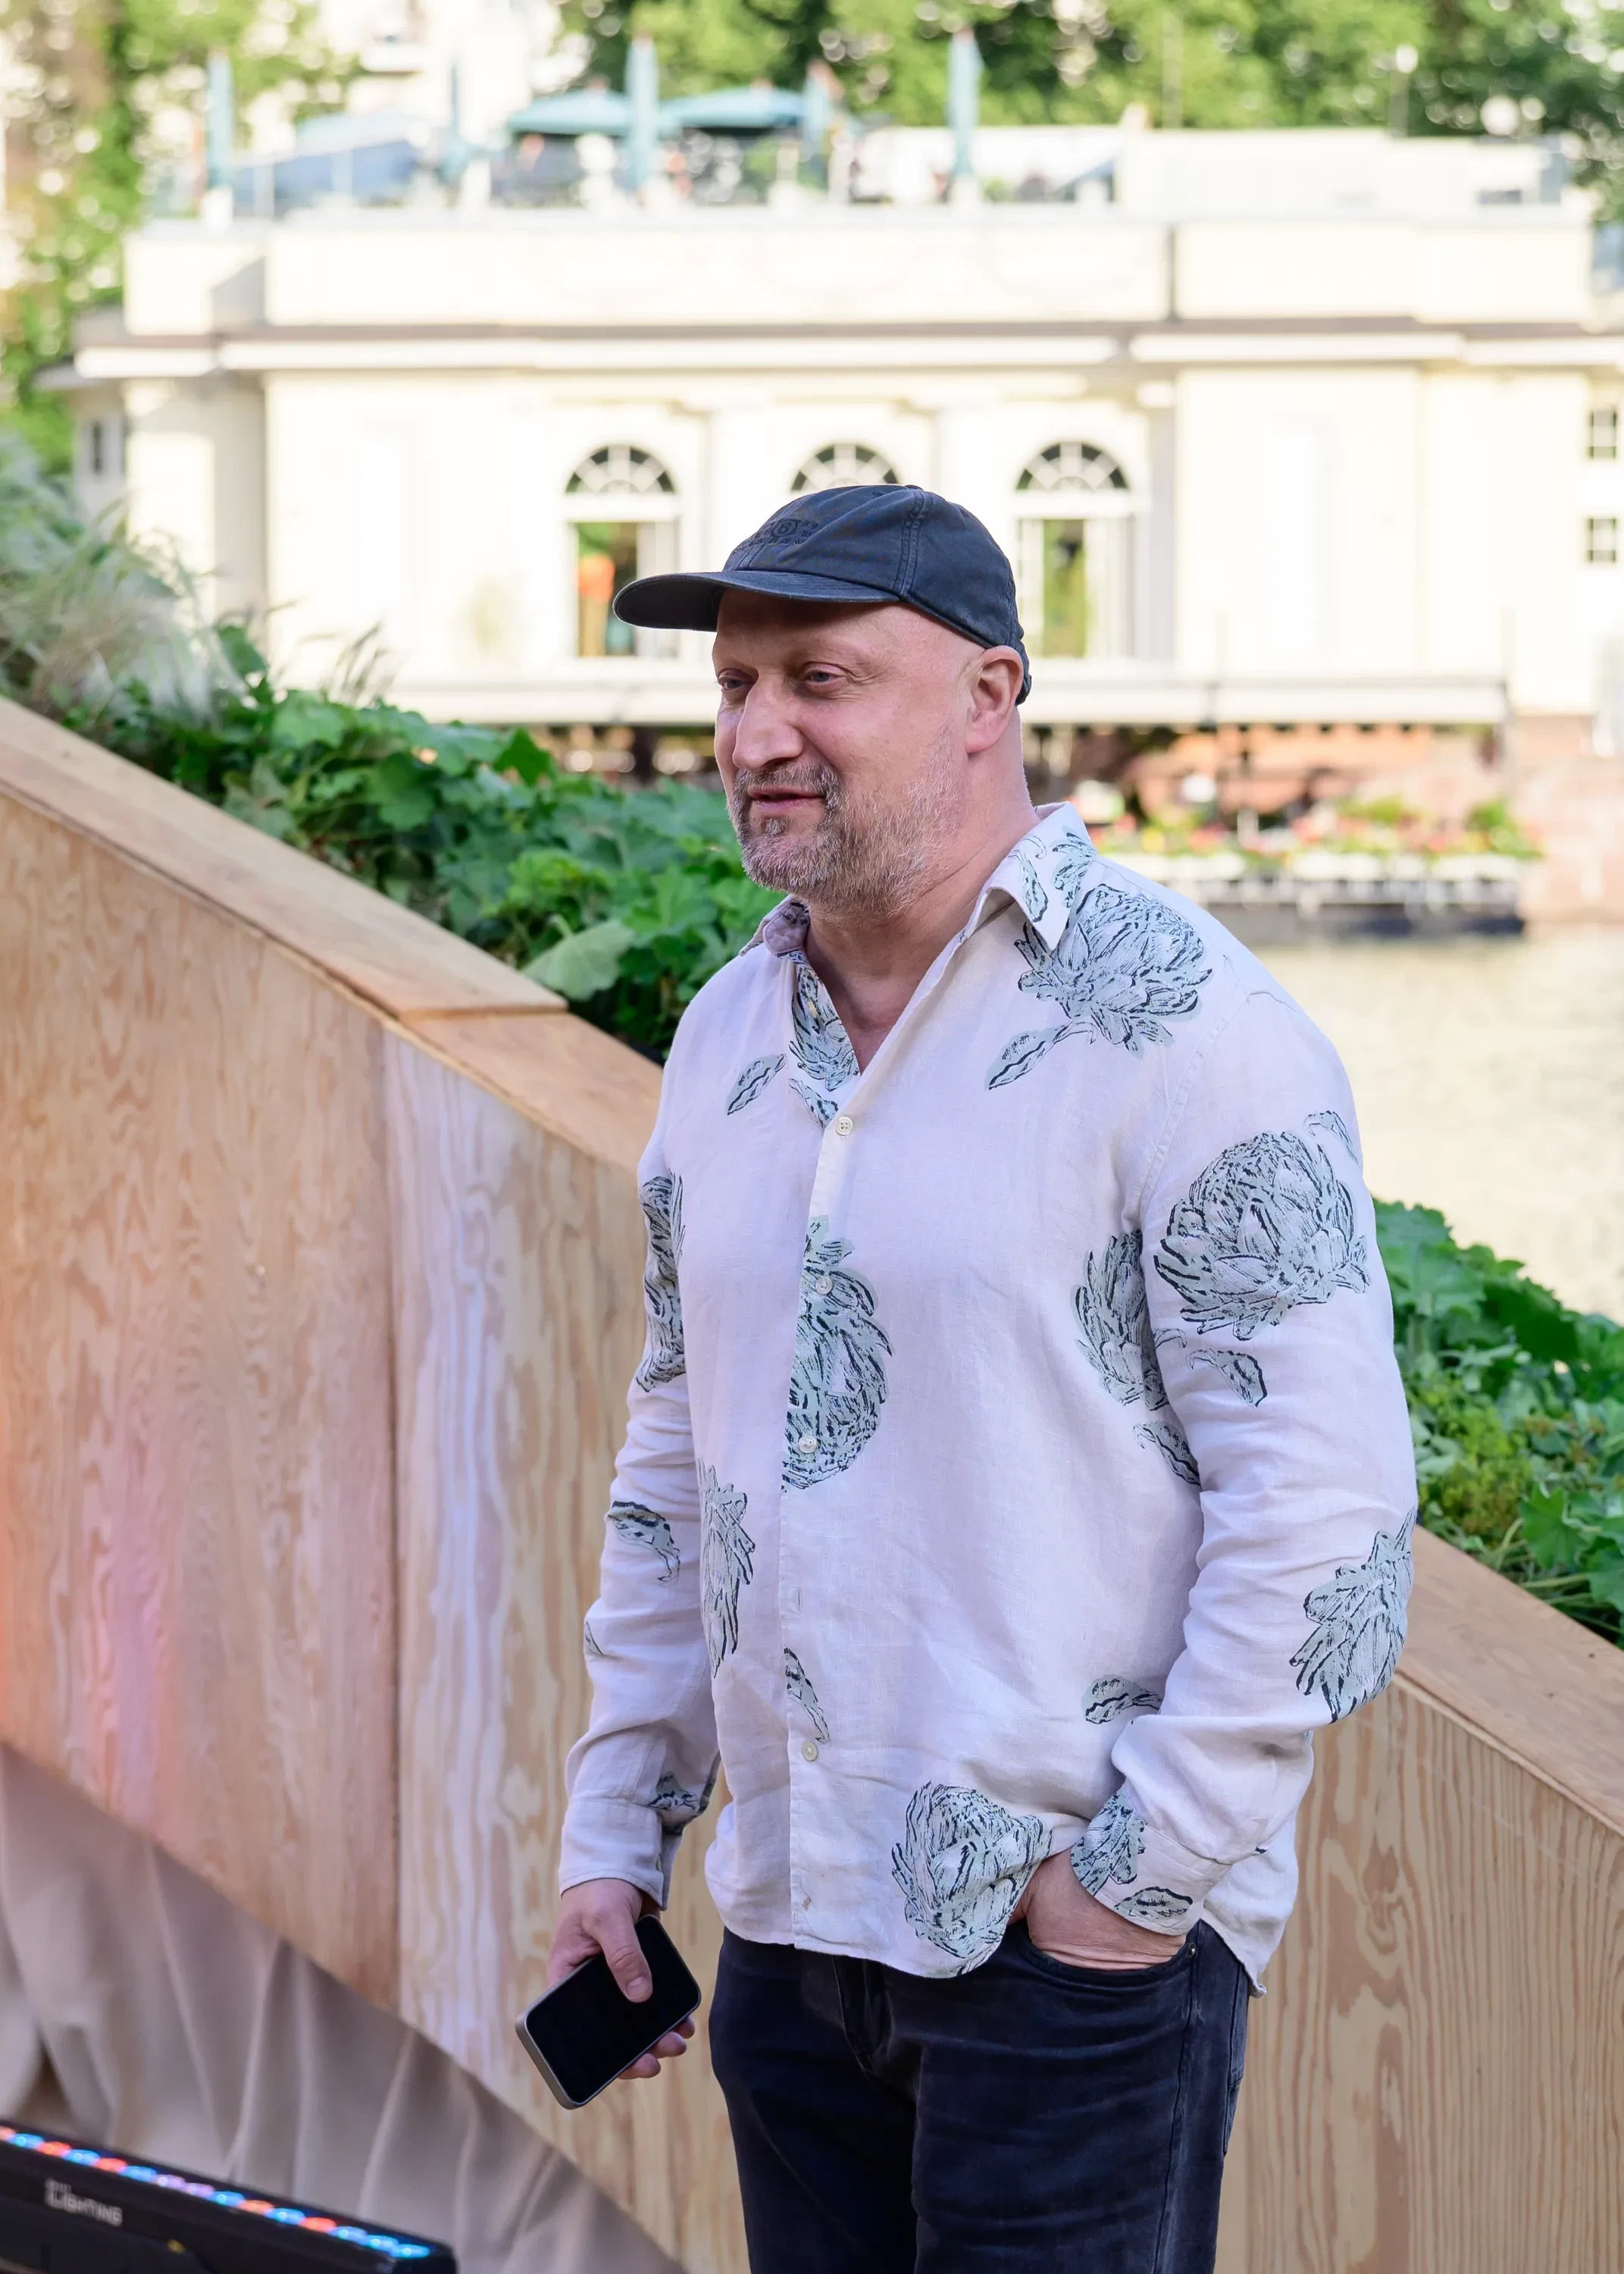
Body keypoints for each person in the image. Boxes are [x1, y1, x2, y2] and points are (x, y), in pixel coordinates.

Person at [547, 485, 1416, 2274]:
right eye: (735, 686)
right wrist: (616, 1837)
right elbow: (681, 1463)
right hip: (793, 1928)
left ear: (988, 695)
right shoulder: (725, 1038)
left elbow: (1329, 1518)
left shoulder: (1192, 1028)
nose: (755, 734)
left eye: (821, 680)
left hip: (1068, 1964)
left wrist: (1127, 1892)